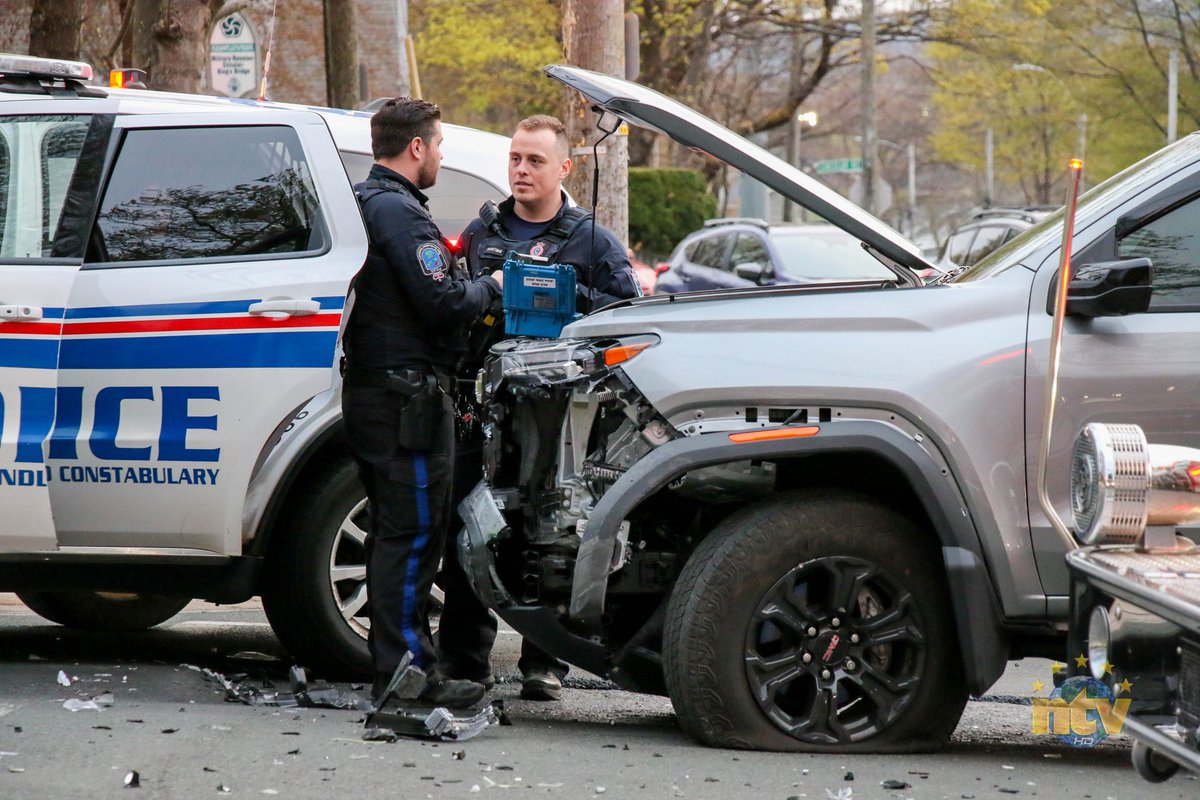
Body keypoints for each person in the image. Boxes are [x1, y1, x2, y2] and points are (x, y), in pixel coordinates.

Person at [436, 114, 641, 702]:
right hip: (483, 406)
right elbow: (454, 303)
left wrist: (569, 296)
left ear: (564, 169)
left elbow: (627, 313)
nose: (521, 171)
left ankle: (544, 663)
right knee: (470, 528)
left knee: (549, 532)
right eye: (516, 159)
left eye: (535, 161)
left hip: (560, 417)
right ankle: (464, 662)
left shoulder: (591, 240)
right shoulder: (482, 233)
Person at [340, 96, 503, 708]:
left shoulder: (365, 202)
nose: (440, 156)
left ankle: (404, 669)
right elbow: (441, 303)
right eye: (437, 145)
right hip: (405, 401)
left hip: (380, 394)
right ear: (416, 147)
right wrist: (492, 285)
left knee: (393, 535)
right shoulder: (400, 213)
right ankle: (408, 676)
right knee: (409, 539)